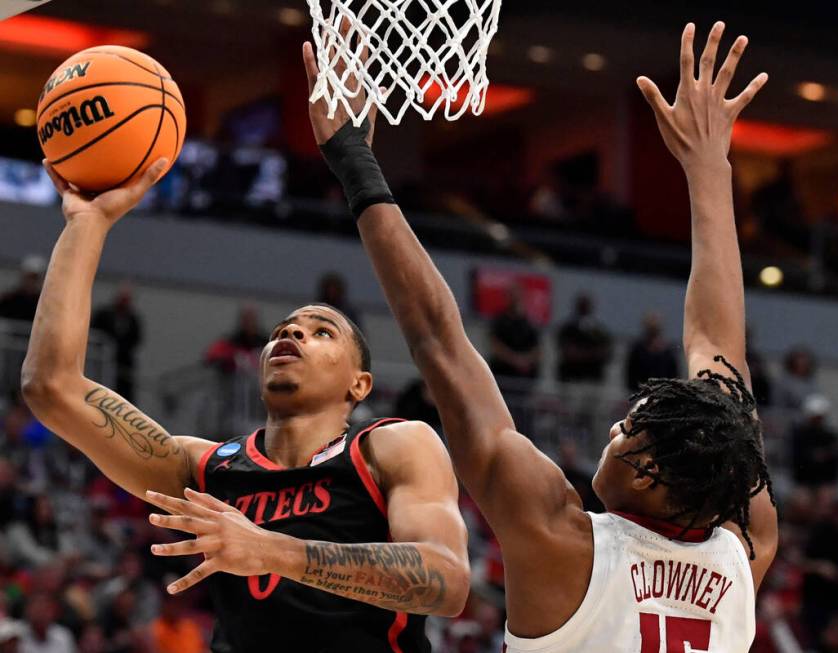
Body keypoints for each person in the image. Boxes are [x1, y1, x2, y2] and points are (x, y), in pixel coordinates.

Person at [318, 21, 776, 652]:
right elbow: (719, 350)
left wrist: (356, 165)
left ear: (645, 475)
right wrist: (707, 168)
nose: (613, 431)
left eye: (627, 428)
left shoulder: (564, 543)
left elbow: (440, 341)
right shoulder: (743, 551)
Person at [24, 133, 469, 653]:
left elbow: (446, 580)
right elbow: (51, 386)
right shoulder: (208, 469)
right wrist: (87, 225)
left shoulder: (392, 446)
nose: (292, 334)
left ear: (359, 384)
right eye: (283, 329)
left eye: (322, 331)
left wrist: (272, 551)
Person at [92, 283, 143, 400]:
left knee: (123, 396)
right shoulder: (103, 315)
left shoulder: (133, 319)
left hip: (123, 366)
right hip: (101, 363)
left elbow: (136, 340)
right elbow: (94, 334)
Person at [556, 293, 612, 383]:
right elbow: (568, 352)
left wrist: (583, 354)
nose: (584, 308)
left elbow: (605, 351)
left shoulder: (598, 329)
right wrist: (591, 354)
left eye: (586, 305)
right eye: (582, 306)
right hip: (571, 376)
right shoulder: (568, 328)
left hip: (592, 377)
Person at [626, 312, 679, 392]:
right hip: (640, 392)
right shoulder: (637, 349)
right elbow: (631, 376)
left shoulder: (667, 351)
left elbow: (674, 375)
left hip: (663, 393)